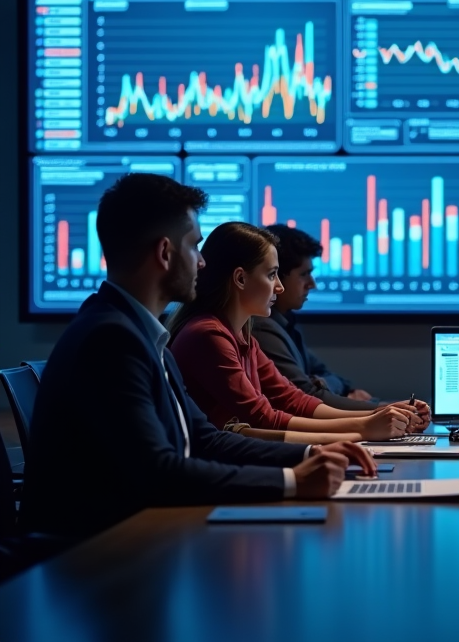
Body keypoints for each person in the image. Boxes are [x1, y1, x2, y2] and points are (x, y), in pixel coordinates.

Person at [20, 174, 376, 540]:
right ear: (164, 253)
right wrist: (291, 480)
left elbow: (204, 438)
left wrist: (310, 456)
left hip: (140, 535)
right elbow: (160, 472)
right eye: (194, 246)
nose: (203, 264)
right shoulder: (111, 339)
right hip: (97, 558)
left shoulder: (139, 332)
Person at [167, 222, 430, 443]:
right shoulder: (209, 335)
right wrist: (363, 428)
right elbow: (264, 418)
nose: (278, 287)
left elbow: (294, 400)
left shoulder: (241, 335)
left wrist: (375, 418)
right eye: (272, 275)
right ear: (240, 279)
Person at [252, 224, 376, 410]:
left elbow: (327, 375)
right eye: (304, 274)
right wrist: (382, 411)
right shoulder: (262, 327)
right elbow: (306, 395)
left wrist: (325, 383)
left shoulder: (287, 322)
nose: (312, 284)